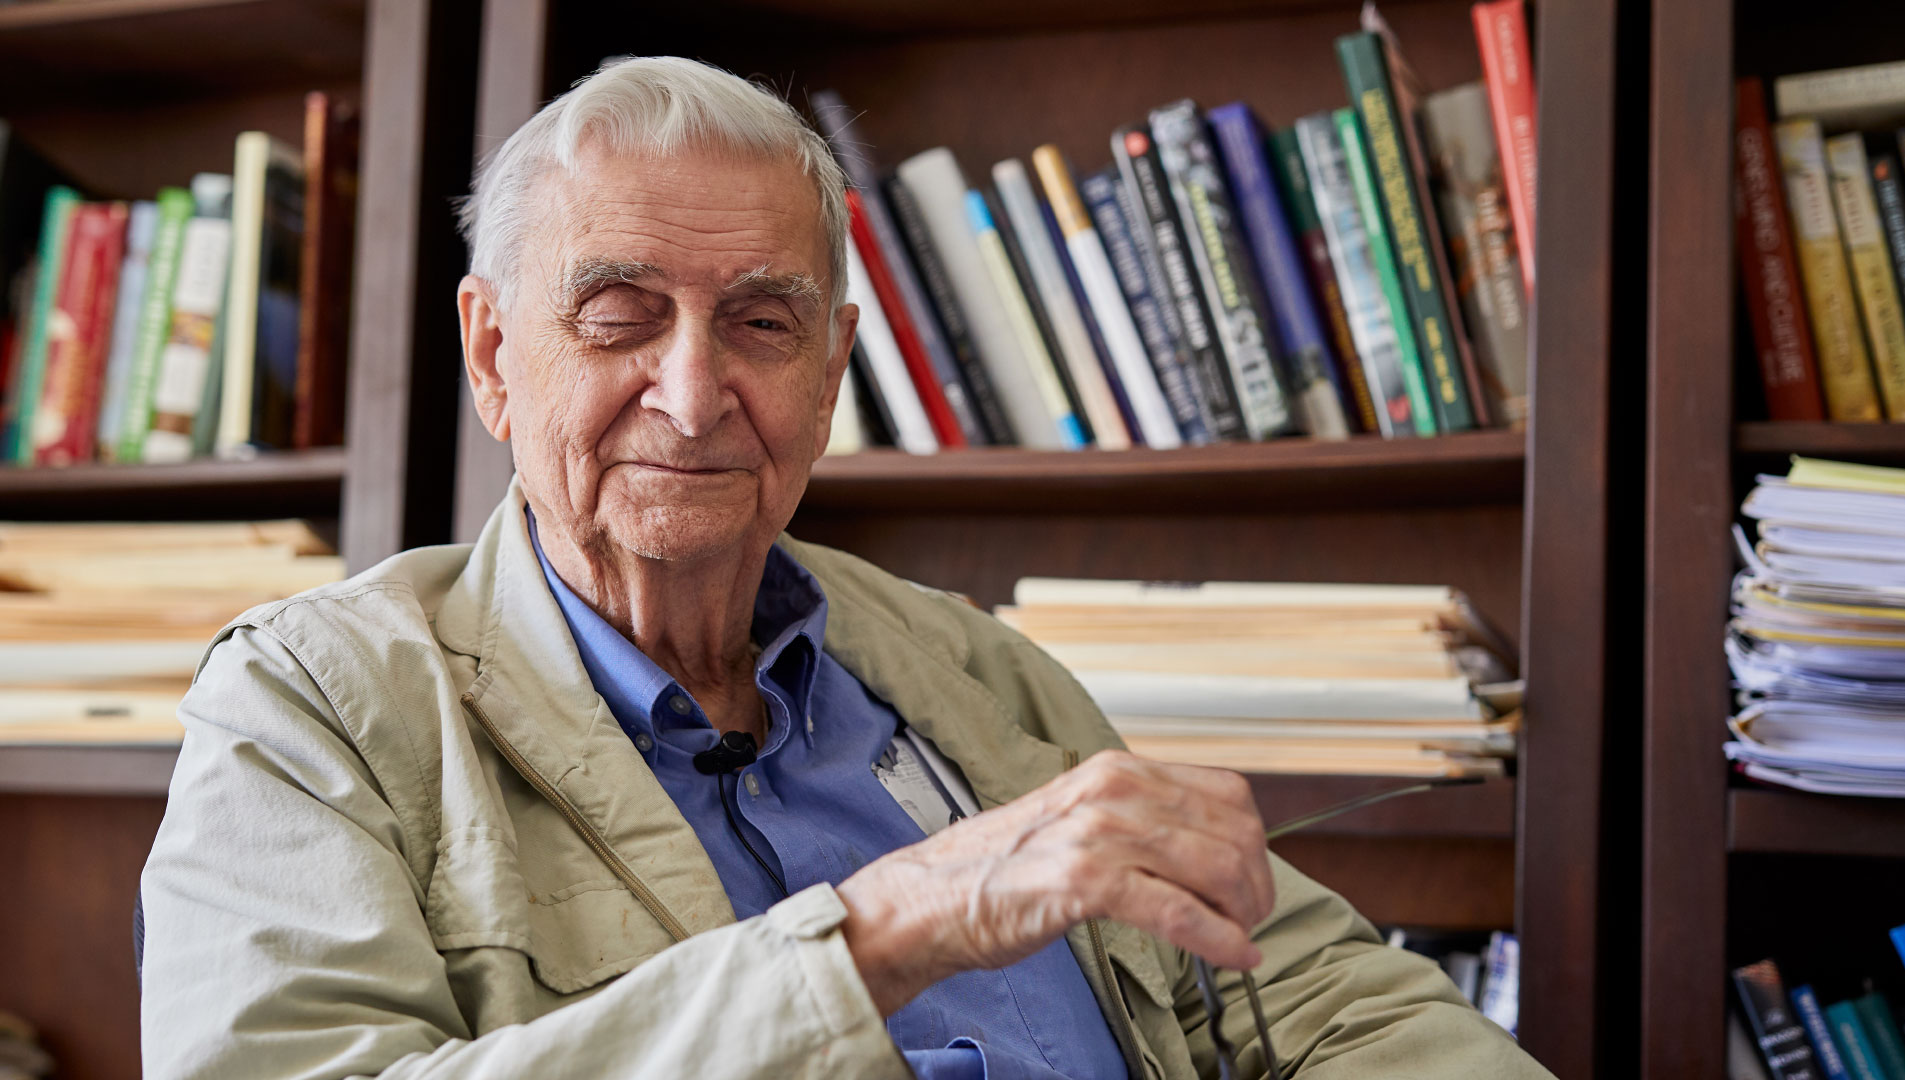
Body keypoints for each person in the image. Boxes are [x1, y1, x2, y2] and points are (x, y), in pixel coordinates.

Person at [139, 56, 1554, 1080]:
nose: (692, 395)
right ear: (496, 355)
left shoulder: (972, 665)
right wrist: (893, 927)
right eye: (621, 315)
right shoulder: (316, 705)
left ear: (831, 376)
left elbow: (1325, 998)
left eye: (761, 323)